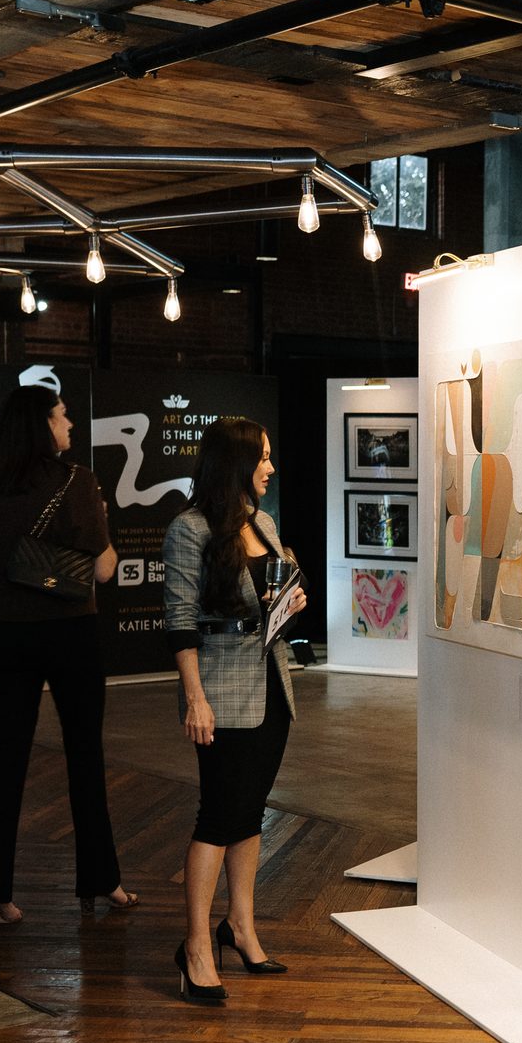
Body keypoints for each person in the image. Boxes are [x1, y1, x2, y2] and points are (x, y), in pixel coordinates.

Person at [0, 385, 136, 933]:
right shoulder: (76, 482)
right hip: (71, 632)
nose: (70, 428)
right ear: (42, 425)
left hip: (7, 636)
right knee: (85, 755)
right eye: (62, 418)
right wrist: (101, 525)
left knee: (8, 759)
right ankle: (101, 880)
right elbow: (104, 570)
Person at [162, 418, 306, 1006]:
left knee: (250, 812)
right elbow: (180, 621)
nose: (271, 467)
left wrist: (290, 601)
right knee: (218, 816)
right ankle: (197, 946)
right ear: (236, 463)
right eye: (263, 457)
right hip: (219, 692)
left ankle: (240, 927)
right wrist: (194, 696)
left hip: (272, 683)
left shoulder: (263, 523)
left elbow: (269, 602)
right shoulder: (188, 529)